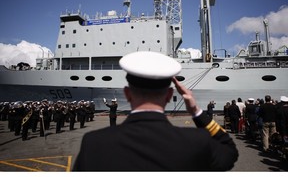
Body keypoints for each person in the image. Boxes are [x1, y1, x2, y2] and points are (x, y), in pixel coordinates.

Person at [73, 51, 238, 171]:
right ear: (169, 95)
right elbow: (229, 153)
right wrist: (196, 111)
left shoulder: (94, 143)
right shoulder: (197, 141)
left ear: (127, 94)